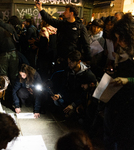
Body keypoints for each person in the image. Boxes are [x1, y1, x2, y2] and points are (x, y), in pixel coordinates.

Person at [103, 13, 134, 150]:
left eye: (120, 39)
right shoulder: (124, 50)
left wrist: (127, 80)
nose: (119, 43)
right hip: (120, 97)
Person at [51, 50, 96, 117]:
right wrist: (59, 95)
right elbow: (64, 84)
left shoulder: (86, 74)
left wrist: (73, 104)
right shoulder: (68, 70)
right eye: (68, 63)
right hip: (69, 96)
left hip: (78, 99)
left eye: (71, 63)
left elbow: (84, 93)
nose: (69, 65)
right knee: (57, 101)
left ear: (79, 62)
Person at [0, 11, 19, 85]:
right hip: (14, 52)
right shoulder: (10, 26)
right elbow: (17, 38)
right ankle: (14, 91)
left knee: (3, 74)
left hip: (2, 53)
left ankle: (4, 92)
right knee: (14, 74)